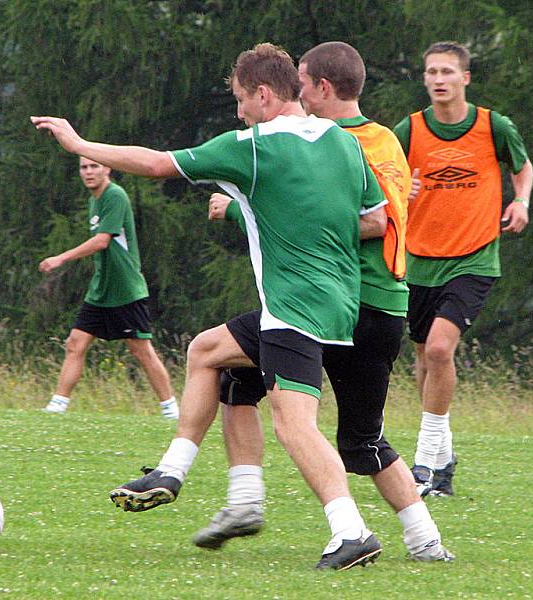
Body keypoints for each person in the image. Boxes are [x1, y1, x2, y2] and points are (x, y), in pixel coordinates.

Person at [32, 42, 389, 570]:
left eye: (242, 100)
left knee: (295, 425)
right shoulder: (343, 143)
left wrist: (78, 142)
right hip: (341, 302)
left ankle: (351, 530)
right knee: (208, 351)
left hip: (296, 308)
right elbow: (376, 220)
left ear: (264, 95)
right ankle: (174, 471)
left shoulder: (253, 146)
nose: (239, 112)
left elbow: (156, 164)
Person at [197, 41, 452, 563]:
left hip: (343, 302)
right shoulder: (382, 139)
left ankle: (246, 498)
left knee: (223, 363)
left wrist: (260, 212)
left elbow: (365, 220)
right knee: (360, 439)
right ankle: (426, 541)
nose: (300, 92)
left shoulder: (336, 142)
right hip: (380, 304)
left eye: (305, 82)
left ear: (323, 88)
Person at [393, 41, 533, 496]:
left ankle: (423, 461)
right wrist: (403, 190)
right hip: (418, 260)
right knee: (422, 357)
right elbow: (382, 179)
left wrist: (522, 200)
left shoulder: (494, 126)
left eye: (447, 72)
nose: (438, 79)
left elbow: (523, 167)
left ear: (465, 78)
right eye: (431, 71)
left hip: (474, 257)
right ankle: (444, 459)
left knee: (438, 349)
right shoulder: (410, 130)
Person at [39, 157, 178, 420]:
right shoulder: (95, 199)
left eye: (94, 166)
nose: (89, 172)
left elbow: (101, 242)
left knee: (141, 350)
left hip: (125, 290)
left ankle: (171, 410)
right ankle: (57, 406)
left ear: (107, 168)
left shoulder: (115, 196)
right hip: (101, 290)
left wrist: (61, 258)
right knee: (75, 344)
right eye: (84, 167)